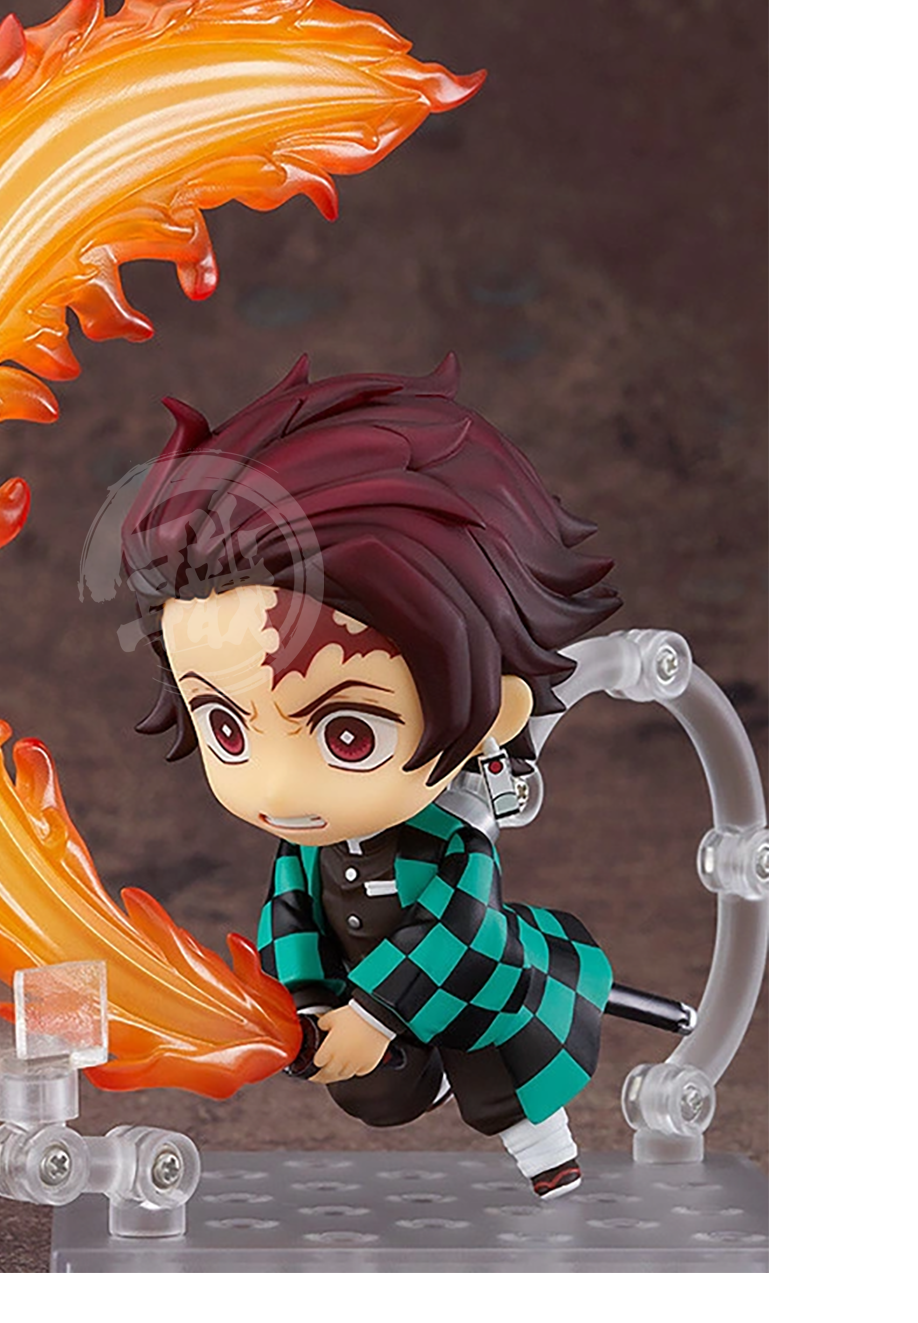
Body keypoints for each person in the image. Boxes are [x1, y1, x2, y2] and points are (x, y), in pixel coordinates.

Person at [118, 355, 620, 1198]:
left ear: (494, 711)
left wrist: (380, 1009)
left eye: (347, 734)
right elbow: (291, 912)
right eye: (227, 727)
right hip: (367, 990)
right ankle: (417, 1065)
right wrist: (306, 996)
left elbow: (463, 930)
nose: (278, 788)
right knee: (373, 1090)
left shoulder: (455, 843)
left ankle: (550, 1163)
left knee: (505, 1075)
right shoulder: (305, 845)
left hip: (480, 986)